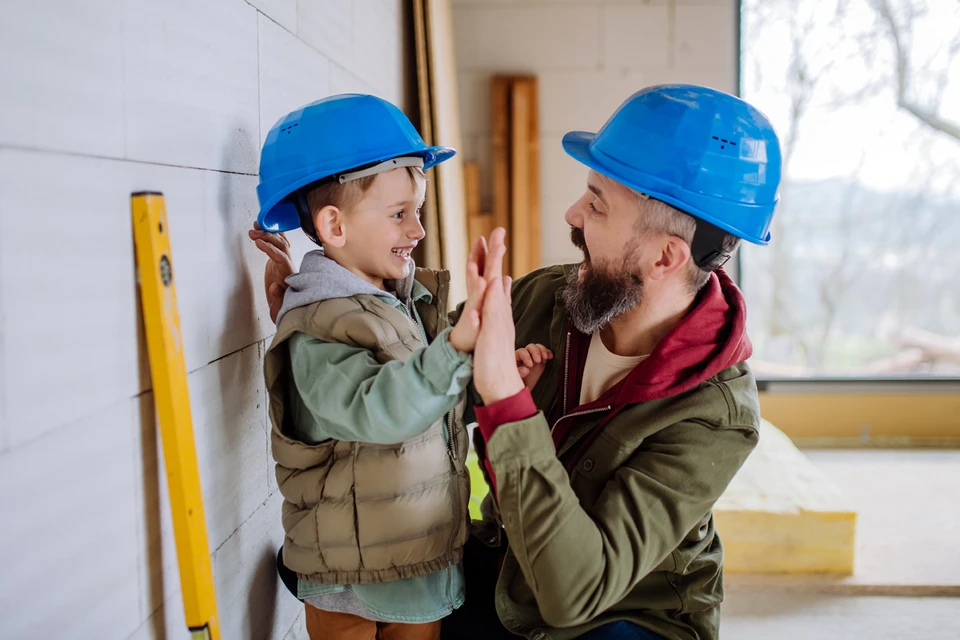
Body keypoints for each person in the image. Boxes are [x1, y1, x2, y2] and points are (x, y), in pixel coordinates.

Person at [253, 85, 783, 640]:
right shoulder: (551, 299)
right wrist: (321, 303)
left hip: (618, 613)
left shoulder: (714, 413)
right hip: (516, 576)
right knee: (339, 559)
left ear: (665, 256)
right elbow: (410, 365)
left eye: (597, 205)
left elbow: (573, 593)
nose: (572, 214)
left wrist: (507, 399)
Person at [255, 93, 492, 640]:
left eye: (419, 212)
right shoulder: (319, 326)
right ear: (334, 227)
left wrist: (486, 382)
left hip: (415, 559)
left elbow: (428, 403)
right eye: (398, 214)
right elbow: (380, 410)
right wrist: (455, 349)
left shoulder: (394, 306)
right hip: (351, 578)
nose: (418, 230)